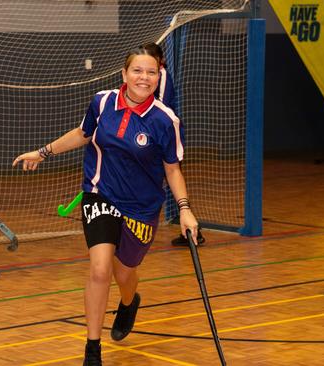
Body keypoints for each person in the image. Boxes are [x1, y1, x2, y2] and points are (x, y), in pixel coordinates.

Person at [13, 46, 199, 365]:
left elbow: (172, 169)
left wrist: (184, 208)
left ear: (158, 77)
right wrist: (42, 152)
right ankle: (92, 350)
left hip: (141, 207)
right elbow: (83, 134)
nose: (144, 77)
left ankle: (129, 303)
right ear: (124, 74)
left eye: (151, 72)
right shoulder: (102, 102)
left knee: (124, 273)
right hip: (100, 194)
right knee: (100, 270)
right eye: (137, 71)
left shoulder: (165, 121)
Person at [140, 42, 206, 247]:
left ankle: (193, 231)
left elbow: (159, 105)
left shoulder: (163, 76)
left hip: (162, 138)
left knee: (170, 178)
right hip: (148, 136)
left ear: (160, 62)